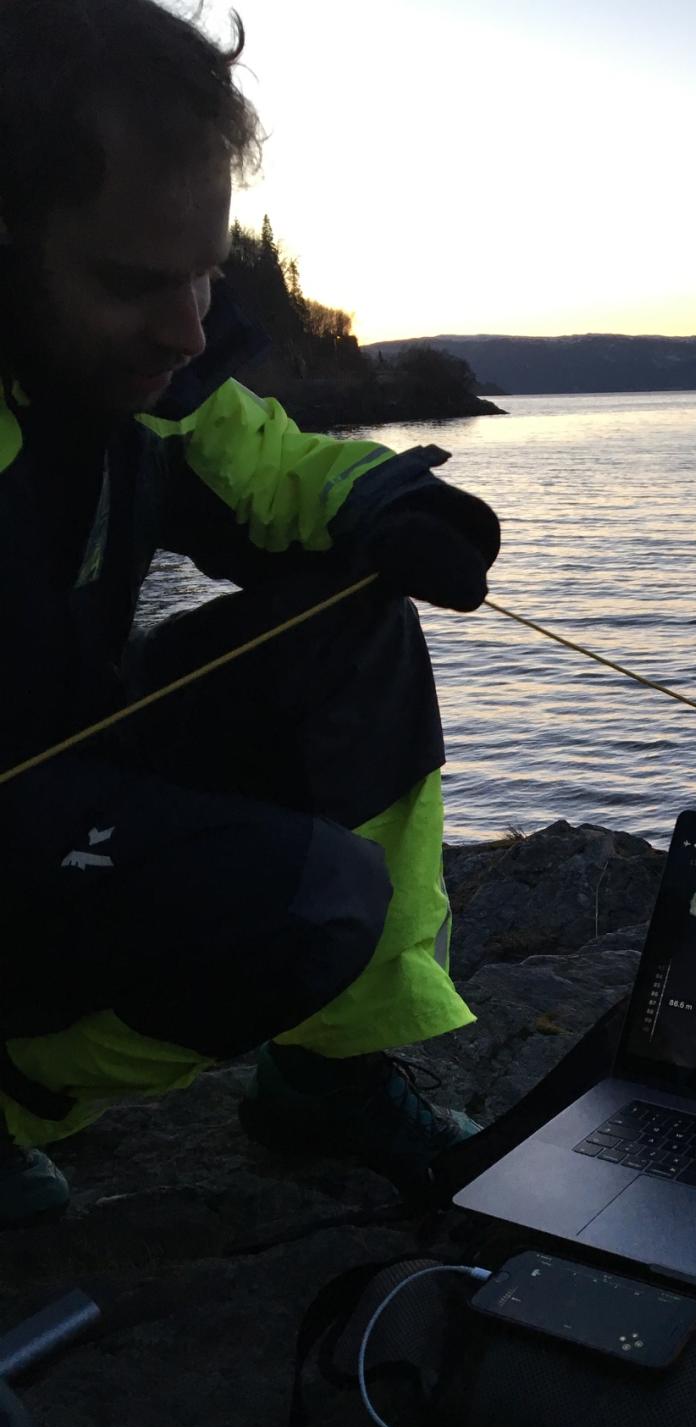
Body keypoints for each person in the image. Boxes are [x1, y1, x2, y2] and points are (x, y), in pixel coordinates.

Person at [0, 0, 502, 1230]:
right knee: (306, 901)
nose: (185, 331)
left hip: (58, 776)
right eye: (134, 281)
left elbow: (271, 471)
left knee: (355, 622)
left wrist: (387, 503)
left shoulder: (142, 374)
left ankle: (328, 1077)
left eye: (204, 275)